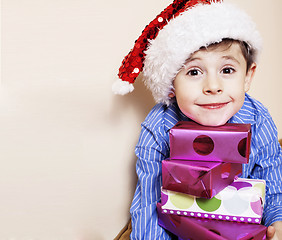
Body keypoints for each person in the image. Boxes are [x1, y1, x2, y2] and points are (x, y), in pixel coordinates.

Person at [112, 0, 282, 239]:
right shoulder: (159, 126)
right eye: (194, 72)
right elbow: (149, 203)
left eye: (227, 70)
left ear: (247, 76)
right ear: (171, 84)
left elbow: (274, 184)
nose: (213, 86)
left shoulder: (258, 118)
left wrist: (277, 220)